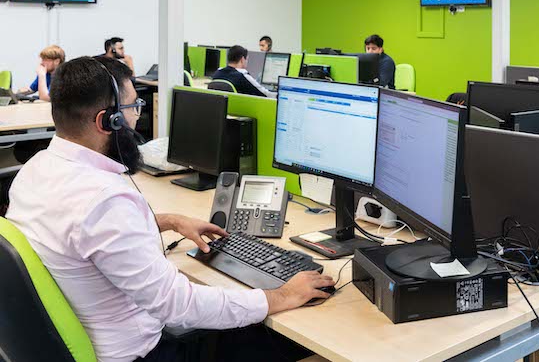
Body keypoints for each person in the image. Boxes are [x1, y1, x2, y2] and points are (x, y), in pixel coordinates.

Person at [5, 56, 334, 361]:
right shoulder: (103, 200)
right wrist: (281, 296)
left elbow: (82, 237)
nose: (136, 116)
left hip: (86, 339)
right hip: (142, 354)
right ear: (109, 121)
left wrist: (166, 220)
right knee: (293, 339)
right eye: (134, 106)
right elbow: (179, 305)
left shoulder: (36, 170)